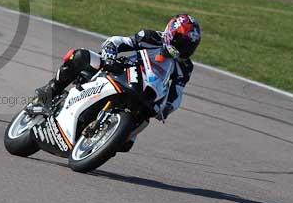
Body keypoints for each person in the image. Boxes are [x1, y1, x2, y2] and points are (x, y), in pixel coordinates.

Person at [35, 14, 201, 151]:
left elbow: (177, 93)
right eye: (182, 43)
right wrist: (110, 55)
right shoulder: (151, 38)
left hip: (145, 93)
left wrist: (167, 108)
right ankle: (51, 91)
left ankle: (104, 141)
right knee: (80, 56)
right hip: (117, 71)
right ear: (171, 34)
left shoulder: (185, 67)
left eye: (189, 46)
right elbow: (119, 42)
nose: (184, 49)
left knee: (126, 143)